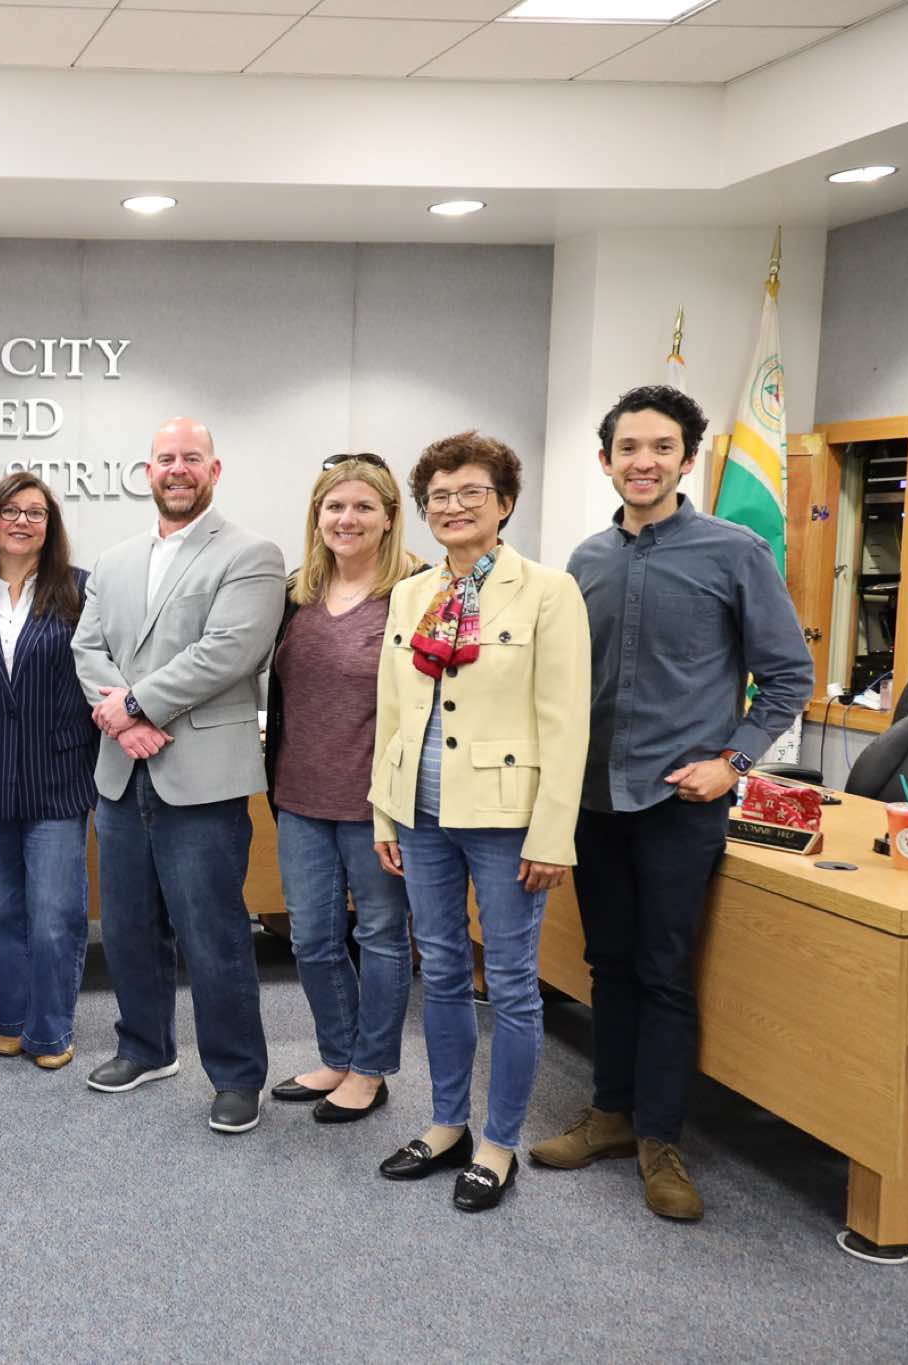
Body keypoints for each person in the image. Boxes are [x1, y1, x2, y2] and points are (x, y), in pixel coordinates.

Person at [530, 385, 812, 1221]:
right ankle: (610, 1114)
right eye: (628, 447)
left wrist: (733, 761)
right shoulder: (585, 560)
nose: (643, 461)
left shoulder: (735, 552)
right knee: (608, 964)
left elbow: (788, 674)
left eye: (661, 447)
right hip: (594, 799)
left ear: (688, 459)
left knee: (663, 972)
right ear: (606, 459)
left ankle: (661, 1137)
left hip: (678, 805)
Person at [370, 431, 590, 1213]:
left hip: (507, 819)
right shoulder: (411, 593)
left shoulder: (548, 591)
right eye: (439, 495)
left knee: (512, 981)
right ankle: (446, 1124)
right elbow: (391, 711)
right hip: (421, 812)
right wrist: (385, 812)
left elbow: (566, 721)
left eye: (471, 492)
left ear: (504, 503)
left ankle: (498, 1141)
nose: (453, 506)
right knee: (440, 971)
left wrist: (552, 833)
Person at [71, 417, 285, 1135]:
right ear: (148, 471)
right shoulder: (114, 560)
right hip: (121, 773)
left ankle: (237, 1075)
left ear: (214, 470)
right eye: (166, 458)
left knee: (212, 933)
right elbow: (87, 648)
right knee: (129, 926)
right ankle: (145, 1046)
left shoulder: (251, 554)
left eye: (192, 457)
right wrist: (123, 721)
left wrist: (135, 703)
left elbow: (230, 651)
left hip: (202, 777)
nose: (178, 468)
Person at [264, 454, 420, 1123]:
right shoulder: (295, 593)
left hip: (375, 804)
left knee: (381, 935)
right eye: (334, 506)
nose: (346, 519)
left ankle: (370, 1068)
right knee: (311, 938)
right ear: (317, 515)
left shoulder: (415, 591)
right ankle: (338, 1053)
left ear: (389, 517)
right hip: (299, 795)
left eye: (362, 506)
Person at [0, 473, 98, 1070]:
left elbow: (98, 678)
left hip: (57, 775)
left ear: (50, 527)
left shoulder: (80, 591)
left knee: (56, 916)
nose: (22, 522)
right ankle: (7, 1018)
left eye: (36, 512)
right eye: (10, 511)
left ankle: (51, 1028)